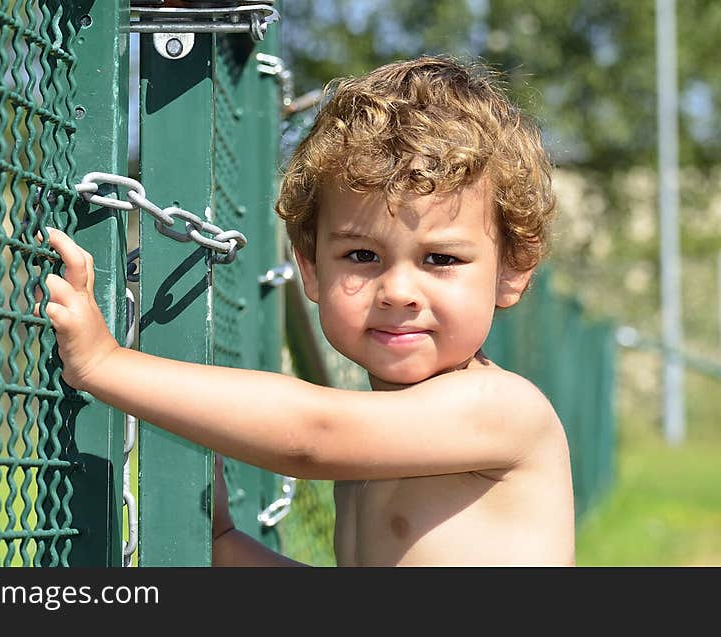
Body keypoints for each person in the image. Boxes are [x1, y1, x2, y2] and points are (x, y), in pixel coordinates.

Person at [38, 55, 575, 566]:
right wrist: (226, 545)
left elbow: (311, 435)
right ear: (311, 268)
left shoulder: (503, 410)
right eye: (362, 256)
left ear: (512, 270)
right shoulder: (378, 444)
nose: (398, 291)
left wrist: (105, 364)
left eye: (441, 258)